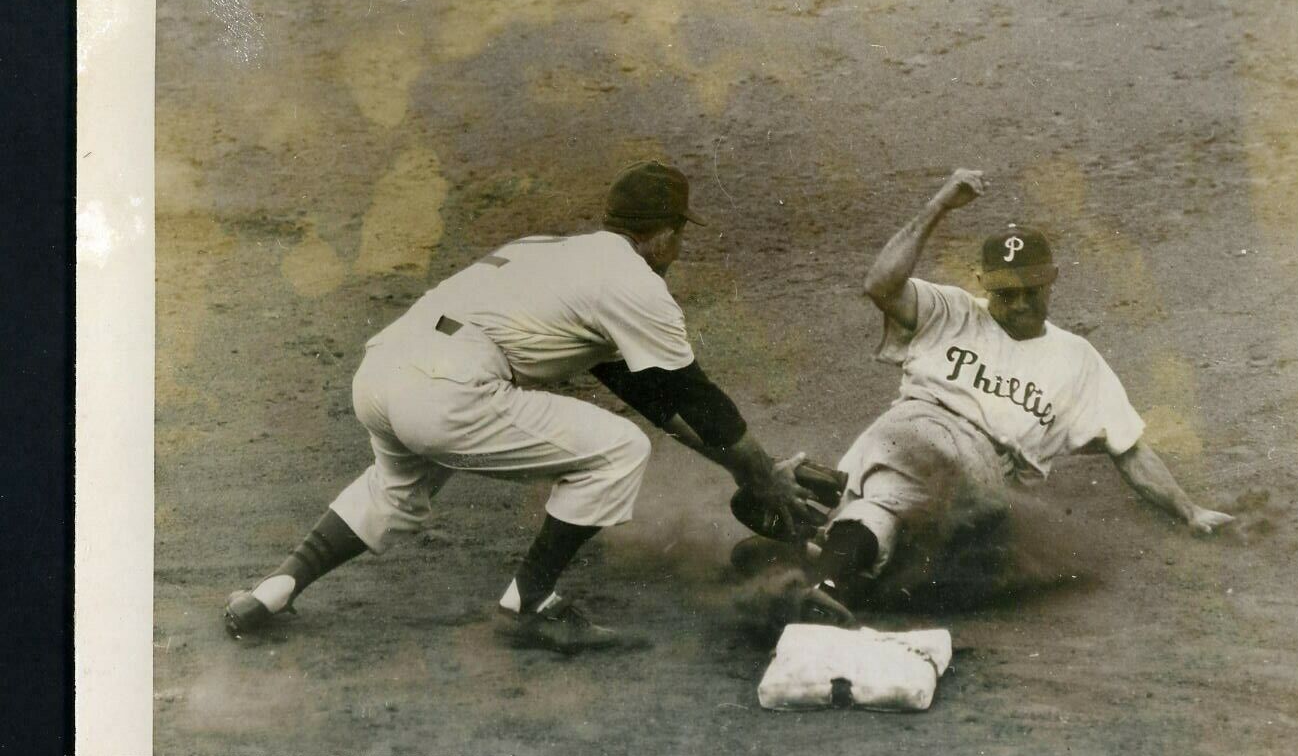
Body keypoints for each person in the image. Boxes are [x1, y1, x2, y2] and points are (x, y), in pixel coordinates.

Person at [225, 160, 816, 652]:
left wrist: (746, 471)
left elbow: (650, 396)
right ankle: (529, 604)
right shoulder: (636, 284)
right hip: (448, 389)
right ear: (662, 233)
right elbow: (694, 395)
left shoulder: (552, 254)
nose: (679, 248)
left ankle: (272, 590)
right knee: (620, 450)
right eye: (679, 234)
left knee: (394, 486)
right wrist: (762, 476)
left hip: (381, 373)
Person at [799, 168, 1234, 624]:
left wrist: (1189, 510)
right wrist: (939, 206)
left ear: (1053, 281)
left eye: (1031, 290)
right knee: (894, 487)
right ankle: (826, 571)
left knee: (890, 517)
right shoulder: (951, 311)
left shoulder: (1077, 360)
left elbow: (1130, 451)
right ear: (984, 283)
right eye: (1007, 293)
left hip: (979, 466)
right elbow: (880, 285)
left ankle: (818, 559)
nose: (1021, 303)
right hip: (908, 429)